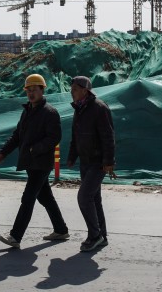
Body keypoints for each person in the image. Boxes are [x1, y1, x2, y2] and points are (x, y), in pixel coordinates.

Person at [0, 74, 69, 249]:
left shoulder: (49, 112)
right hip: (31, 162)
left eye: (34, 90)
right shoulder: (27, 111)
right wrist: (3, 152)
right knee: (45, 198)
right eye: (28, 90)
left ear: (42, 90)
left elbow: (54, 137)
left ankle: (15, 236)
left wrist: (35, 149)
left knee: (27, 198)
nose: (30, 93)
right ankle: (61, 229)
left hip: (41, 163)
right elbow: (17, 135)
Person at [67, 75, 116, 252]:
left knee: (83, 197)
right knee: (95, 199)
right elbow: (75, 136)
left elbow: (108, 136)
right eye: (71, 90)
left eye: (75, 90)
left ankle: (94, 236)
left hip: (98, 162)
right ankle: (102, 236)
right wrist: (72, 156)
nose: (72, 93)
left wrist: (109, 161)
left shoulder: (98, 108)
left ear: (85, 90)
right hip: (85, 162)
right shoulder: (79, 109)